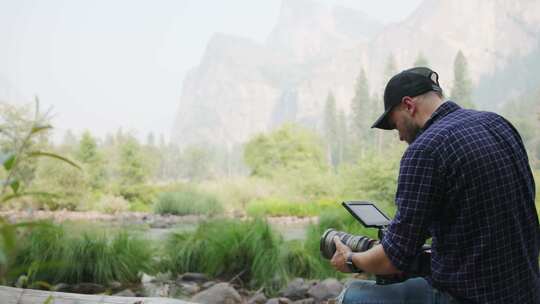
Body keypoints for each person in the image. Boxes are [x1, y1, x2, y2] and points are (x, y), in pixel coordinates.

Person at [330, 67, 540, 303]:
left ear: (408, 105)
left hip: (470, 296)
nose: (398, 135)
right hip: (526, 290)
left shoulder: (425, 150)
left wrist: (351, 259)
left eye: (394, 123)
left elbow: (393, 259)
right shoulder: (498, 124)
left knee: (351, 295)